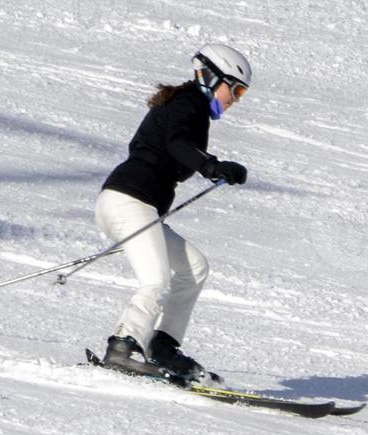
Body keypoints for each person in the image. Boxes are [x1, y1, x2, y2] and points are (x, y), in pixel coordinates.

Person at [95, 43, 252, 386]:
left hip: (134, 205)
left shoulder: (187, 107)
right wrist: (212, 166)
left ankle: (162, 345)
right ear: (210, 77)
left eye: (241, 92)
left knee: (194, 268)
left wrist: (213, 166)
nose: (236, 98)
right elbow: (177, 143)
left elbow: (177, 146)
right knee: (156, 280)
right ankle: (122, 347)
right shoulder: (187, 104)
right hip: (128, 201)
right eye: (234, 89)